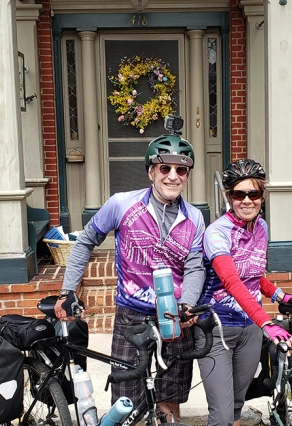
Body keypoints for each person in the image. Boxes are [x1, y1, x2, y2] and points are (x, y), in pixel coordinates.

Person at [54, 133, 206, 422]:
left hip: (174, 317)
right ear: (151, 171)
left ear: (187, 175)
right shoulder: (122, 205)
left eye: (181, 170)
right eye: (165, 168)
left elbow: (195, 267)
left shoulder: (195, 218)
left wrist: (187, 302)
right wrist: (68, 290)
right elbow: (86, 240)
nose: (173, 176)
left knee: (168, 400)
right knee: (126, 402)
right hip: (132, 316)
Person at [196, 159, 292, 426]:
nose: (247, 200)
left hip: (250, 330)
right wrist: (268, 322)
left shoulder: (261, 228)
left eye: (253, 193)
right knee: (221, 416)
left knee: (236, 406)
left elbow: (254, 277)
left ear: (262, 196)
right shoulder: (216, 233)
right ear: (229, 196)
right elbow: (233, 282)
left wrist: (282, 297)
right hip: (216, 330)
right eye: (239, 194)